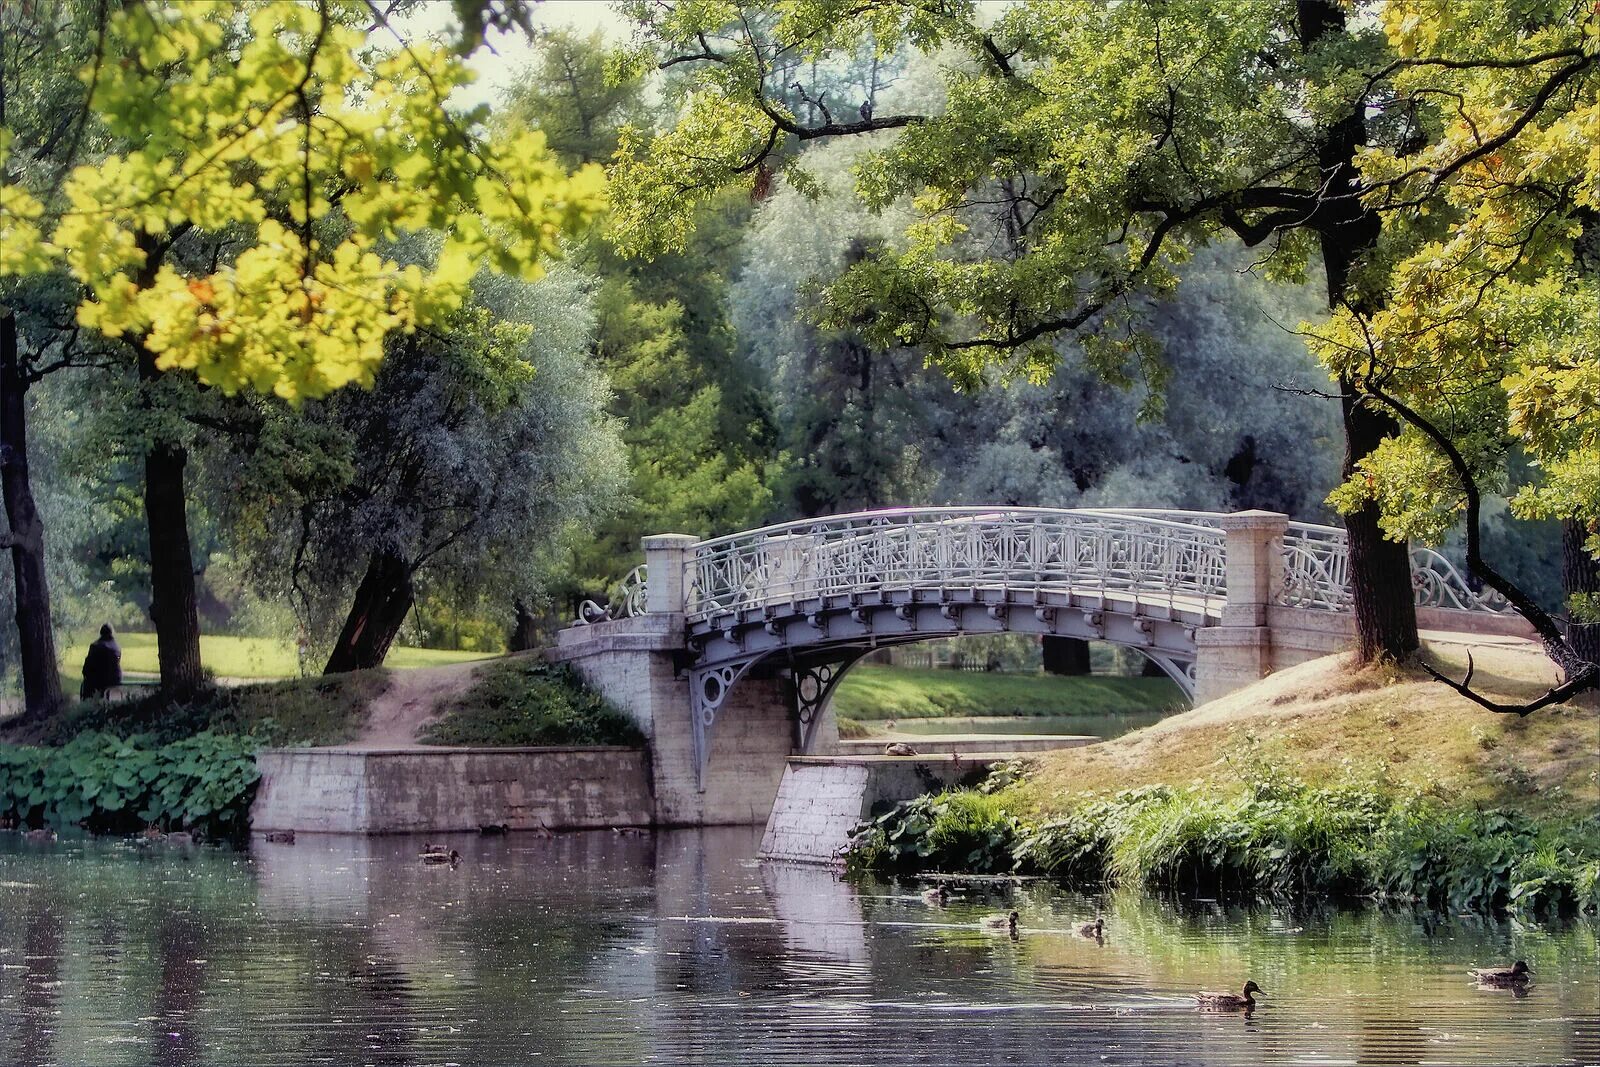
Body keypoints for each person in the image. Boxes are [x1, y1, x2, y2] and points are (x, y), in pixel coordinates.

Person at [80, 624, 123, 699]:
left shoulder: (95, 646)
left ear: (101, 633)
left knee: (88, 683)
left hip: (100, 679)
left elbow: (88, 665)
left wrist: (85, 673)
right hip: (115, 678)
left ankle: (88, 704)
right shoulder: (117, 647)